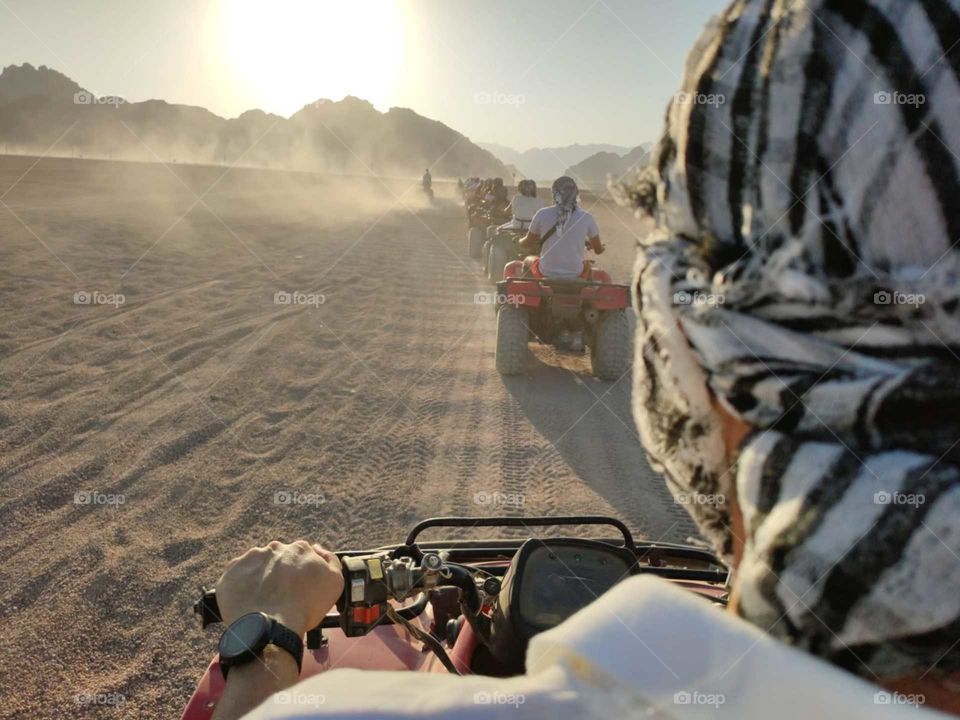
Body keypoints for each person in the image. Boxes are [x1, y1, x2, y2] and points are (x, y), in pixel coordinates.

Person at [203, 0, 960, 717]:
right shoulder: (574, 216)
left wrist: (266, 629)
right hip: (579, 290)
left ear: (698, 356)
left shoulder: (535, 219)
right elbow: (587, 246)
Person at [519, 176, 604, 279]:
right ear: (576, 194)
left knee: (528, 260)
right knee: (588, 266)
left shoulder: (542, 214)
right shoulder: (587, 217)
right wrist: (601, 247)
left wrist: (520, 241)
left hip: (546, 272)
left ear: (554, 194)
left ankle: (530, 291)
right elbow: (598, 250)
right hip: (576, 273)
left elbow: (528, 243)